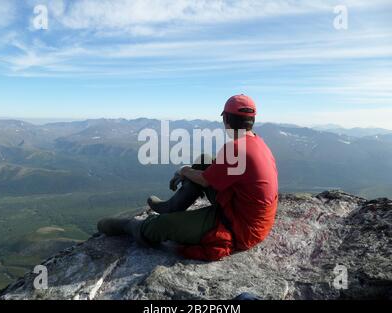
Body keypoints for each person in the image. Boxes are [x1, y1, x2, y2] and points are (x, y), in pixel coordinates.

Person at [97, 94, 278, 261]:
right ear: (252, 121)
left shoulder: (237, 148)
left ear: (226, 119)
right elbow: (213, 175)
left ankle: (133, 226)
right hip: (247, 214)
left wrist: (183, 170)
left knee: (160, 226)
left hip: (239, 227)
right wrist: (189, 172)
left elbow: (206, 180)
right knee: (206, 161)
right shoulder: (257, 143)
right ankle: (171, 207)